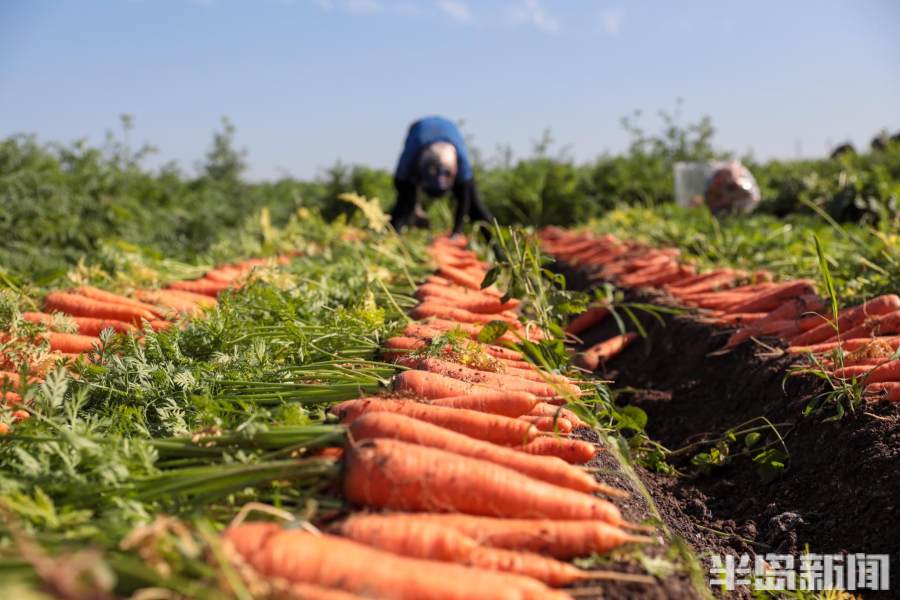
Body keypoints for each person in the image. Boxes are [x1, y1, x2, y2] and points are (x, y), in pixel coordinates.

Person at [390, 116, 494, 236]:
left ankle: (497, 247)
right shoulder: (411, 156)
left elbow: (465, 200)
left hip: (449, 130)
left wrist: (457, 231)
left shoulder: (462, 162)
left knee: (476, 209)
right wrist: (414, 207)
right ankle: (392, 237)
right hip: (420, 132)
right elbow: (400, 183)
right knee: (403, 206)